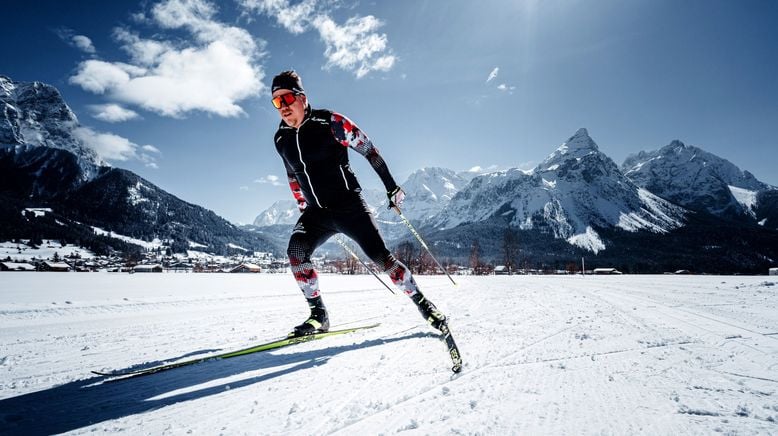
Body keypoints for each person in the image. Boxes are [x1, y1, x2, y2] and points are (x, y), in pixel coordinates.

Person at [270, 70, 447, 337]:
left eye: (287, 98)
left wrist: (391, 187)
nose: (282, 107)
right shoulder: (280, 138)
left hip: (349, 206)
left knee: (382, 258)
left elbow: (370, 151)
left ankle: (424, 304)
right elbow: (292, 175)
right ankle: (319, 316)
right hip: (317, 213)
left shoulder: (331, 122)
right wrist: (302, 206)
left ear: (302, 98)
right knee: (296, 252)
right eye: (276, 102)